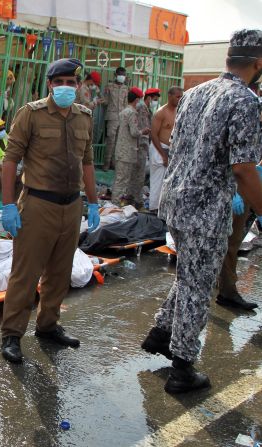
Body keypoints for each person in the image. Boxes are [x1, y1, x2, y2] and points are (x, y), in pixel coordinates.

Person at [141, 29, 262, 394]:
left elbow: (178, 147)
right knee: (198, 283)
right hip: (206, 208)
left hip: (176, 201)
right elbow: (242, 167)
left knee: (189, 274)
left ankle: (161, 333)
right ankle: (183, 368)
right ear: (258, 64)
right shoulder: (245, 101)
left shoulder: (193, 93)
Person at [0, 58, 101, 363]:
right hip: (38, 203)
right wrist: (7, 204)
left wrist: (93, 202)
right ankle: (12, 335)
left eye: (72, 82)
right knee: (25, 273)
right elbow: (10, 159)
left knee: (60, 271)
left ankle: (48, 324)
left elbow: (88, 162)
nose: (67, 88)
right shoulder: (31, 114)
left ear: (79, 86)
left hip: (70, 205)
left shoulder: (84, 116)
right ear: (49, 85)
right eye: (61, 82)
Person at [216, 164, 261, 310]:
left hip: (246, 185)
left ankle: (226, 291)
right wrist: (233, 192)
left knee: (232, 244)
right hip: (229, 187)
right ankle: (225, 291)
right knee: (220, 243)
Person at [111, 88, 149, 205]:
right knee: (122, 180)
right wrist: (143, 131)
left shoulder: (124, 111)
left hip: (121, 149)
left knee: (120, 179)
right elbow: (134, 132)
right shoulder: (132, 113)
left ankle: (115, 203)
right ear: (137, 100)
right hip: (128, 151)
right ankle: (115, 204)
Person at [148, 86, 183, 213]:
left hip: (171, 150)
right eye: (177, 96)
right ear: (170, 96)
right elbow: (153, 134)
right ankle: (153, 209)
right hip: (159, 149)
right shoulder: (161, 112)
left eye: (181, 97)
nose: (180, 99)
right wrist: (163, 155)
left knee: (168, 183)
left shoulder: (179, 111)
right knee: (157, 181)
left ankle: (163, 210)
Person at [133, 88, 161, 208]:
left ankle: (135, 198)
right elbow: (140, 128)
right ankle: (137, 201)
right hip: (139, 144)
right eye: (154, 99)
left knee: (140, 173)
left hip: (143, 143)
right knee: (139, 174)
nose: (155, 102)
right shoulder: (141, 108)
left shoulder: (146, 109)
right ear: (149, 98)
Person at [102, 67, 129, 170]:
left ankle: (114, 163)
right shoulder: (109, 86)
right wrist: (100, 99)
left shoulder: (126, 88)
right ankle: (106, 163)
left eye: (124, 74)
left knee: (118, 142)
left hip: (122, 117)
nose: (122, 76)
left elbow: (126, 104)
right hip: (112, 117)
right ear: (116, 75)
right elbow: (106, 100)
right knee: (110, 141)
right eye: (120, 74)